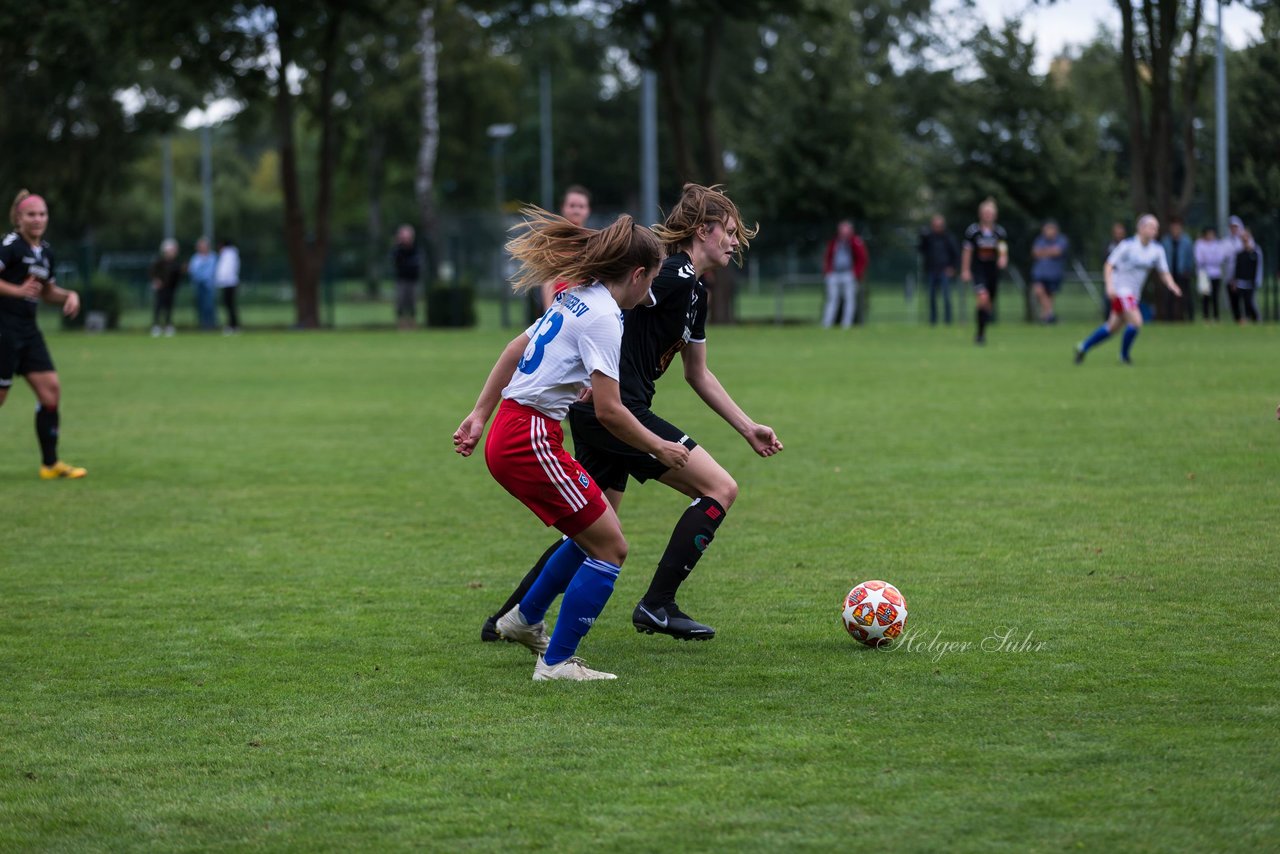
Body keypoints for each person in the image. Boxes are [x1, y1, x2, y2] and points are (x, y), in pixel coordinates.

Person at [481, 183, 783, 646]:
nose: (735, 241)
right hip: (617, 414)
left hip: (609, 414)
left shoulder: (693, 291)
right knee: (720, 488)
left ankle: (515, 617)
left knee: (595, 529)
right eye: (730, 231)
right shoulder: (667, 277)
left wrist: (747, 427)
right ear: (704, 230)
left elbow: (697, 374)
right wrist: (589, 374)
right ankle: (657, 605)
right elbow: (607, 303)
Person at [454, 208, 688, 682]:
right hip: (529, 438)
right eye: (652, 280)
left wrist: (480, 414)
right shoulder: (605, 317)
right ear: (638, 274)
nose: (652, 292)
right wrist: (658, 448)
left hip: (512, 429)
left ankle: (523, 619)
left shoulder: (577, 297)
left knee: (592, 532)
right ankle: (557, 663)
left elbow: (515, 349)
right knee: (612, 547)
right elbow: (610, 411)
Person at [0, 190, 86, 479]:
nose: (37, 220)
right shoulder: (10, 246)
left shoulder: (46, 252)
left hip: (28, 330)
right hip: (4, 330)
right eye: (31, 215)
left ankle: (50, 465)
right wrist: (17, 291)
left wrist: (68, 296)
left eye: (42, 214)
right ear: (18, 218)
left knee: (51, 391)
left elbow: (47, 292)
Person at [1074, 214, 1183, 366]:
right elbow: (1109, 265)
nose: (1155, 231)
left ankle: (1082, 347)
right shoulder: (1127, 245)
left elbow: (1164, 272)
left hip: (1134, 294)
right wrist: (1110, 286)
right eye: (1152, 227)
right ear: (1141, 228)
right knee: (1137, 321)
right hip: (1121, 291)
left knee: (1112, 327)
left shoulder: (1157, 250)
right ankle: (1124, 357)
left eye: (1156, 228)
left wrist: (1172, 285)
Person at [536, 185, 593, 313]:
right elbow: (548, 279)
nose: (576, 210)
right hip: (558, 303)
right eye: (572, 206)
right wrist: (548, 311)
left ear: (588, 210)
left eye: (581, 206)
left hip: (584, 306)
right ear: (563, 208)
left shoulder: (594, 242)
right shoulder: (554, 241)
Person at [960, 198, 1008, 345]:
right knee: (983, 298)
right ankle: (980, 335)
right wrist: (965, 270)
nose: (988, 215)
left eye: (990, 213)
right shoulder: (973, 231)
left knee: (988, 304)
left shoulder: (999, 232)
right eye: (985, 212)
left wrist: (1003, 259)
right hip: (978, 270)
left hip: (992, 271)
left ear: (995, 215)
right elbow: (967, 251)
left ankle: (981, 330)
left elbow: (1003, 250)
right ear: (980, 214)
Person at [821, 220, 868, 329]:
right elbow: (827, 257)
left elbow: (862, 259)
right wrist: (828, 272)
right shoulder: (834, 242)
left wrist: (855, 274)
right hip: (834, 274)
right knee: (832, 299)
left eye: (846, 230)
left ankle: (846, 324)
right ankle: (826, 324)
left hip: (849, 274)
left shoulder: (855, 242)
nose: (844, 233)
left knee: (849, 299)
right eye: (842, 230)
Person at [918, 214, 959, 325]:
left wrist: (953, 268)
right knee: (931, 297)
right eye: (935, 225)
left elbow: (955, 254)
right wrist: (922, 238)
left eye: (939, 225)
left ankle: (948, 320)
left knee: (946, 296)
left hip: (945, 270)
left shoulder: (948, 238)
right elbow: (921, 250)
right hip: (932, 270)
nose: (937, 228)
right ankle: (933, 320)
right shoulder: (929, 238)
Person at [1030, 220, 1069, 324]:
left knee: (1050, 295)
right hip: (1039, 272)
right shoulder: (1040, 240)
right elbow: (1035, 252)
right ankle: (1050, 314)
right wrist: (1050, 251)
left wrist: (1043, 252)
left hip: (1054, 273)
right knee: (1038, 291)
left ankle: (1046, 317)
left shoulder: (1061, 239)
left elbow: (1058, 251)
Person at [1160, 218, 1195, 321]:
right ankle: (1168, 319)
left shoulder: (1186, 241)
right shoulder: (1165, 241)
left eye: (1177, 228)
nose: (1175, 230)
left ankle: (1189, 318)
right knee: (1168, 297)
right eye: (1173, 228)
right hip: (1169, 273)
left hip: (1182, 273)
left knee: (1186, 296)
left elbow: (1190, 257)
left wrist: (1188, 270)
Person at [1194, 226, 1228, 322]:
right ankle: (1206, 318)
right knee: (1205, 297)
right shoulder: (1199, 244)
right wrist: (1210, 259)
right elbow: (1199, 260)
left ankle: (1216, 317)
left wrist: (1208, 259)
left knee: (1215, 297)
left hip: (1216, 274)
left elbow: (1220, 259)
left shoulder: (1218, 244)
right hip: (1204, 274)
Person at [149, 238, 182, 337]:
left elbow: (177, 276)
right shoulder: (159, 263)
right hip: (161, 289)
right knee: (158, 307)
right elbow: (152, 273)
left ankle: (168, 325)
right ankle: (156, 325)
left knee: (169, 307)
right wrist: (156, 280)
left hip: (171, 289)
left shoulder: (176, 264)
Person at [1231, 229, 1263, 325]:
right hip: (1241, 281)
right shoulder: (1240, 254)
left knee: (1249, 301)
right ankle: (1243, 319)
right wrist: (1235, 281)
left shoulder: (1255, 253)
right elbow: (1237, 269)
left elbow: (1257, 269)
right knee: (1241, 301)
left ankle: (1255, 318)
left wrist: (1255, 281)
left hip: (1250, 282)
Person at [392, 225, 420, 330]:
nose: (406, 239)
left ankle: (412, 323)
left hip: (413, 279)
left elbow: (417, 263)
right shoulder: (398, 249)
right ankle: (401, 323)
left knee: (412, 302)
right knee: (400, 301)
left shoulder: (415, 248)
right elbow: (396, 261)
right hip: (401, 280)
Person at [188, 237, 218, 330]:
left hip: (209, 284)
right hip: (199, 284)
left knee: (209, 305)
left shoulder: (213, 257)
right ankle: (203, 325)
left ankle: (212, 324)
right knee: (200, 305)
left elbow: (216, 270)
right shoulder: (195, 258)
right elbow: (192, 271)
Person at [1223, 215, 1247, 323]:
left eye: (1235, 227)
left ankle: (1246, 318)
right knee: (1233, 299)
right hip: (1230, 275)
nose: (1233, 229)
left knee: (1244, 298)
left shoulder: (1244, 240)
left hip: (1243, 275)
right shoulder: (1225, 242)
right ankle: (1237, 319)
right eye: (1231, 227)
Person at [215, 238, 241, 334]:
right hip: (228, 283)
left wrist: (220, 280)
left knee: (230, 306)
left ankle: (233, 325)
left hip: (229, 283)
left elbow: (226, 271)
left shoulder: (228, 255)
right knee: (229, 306)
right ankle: (232, 325)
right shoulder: (230, 255)